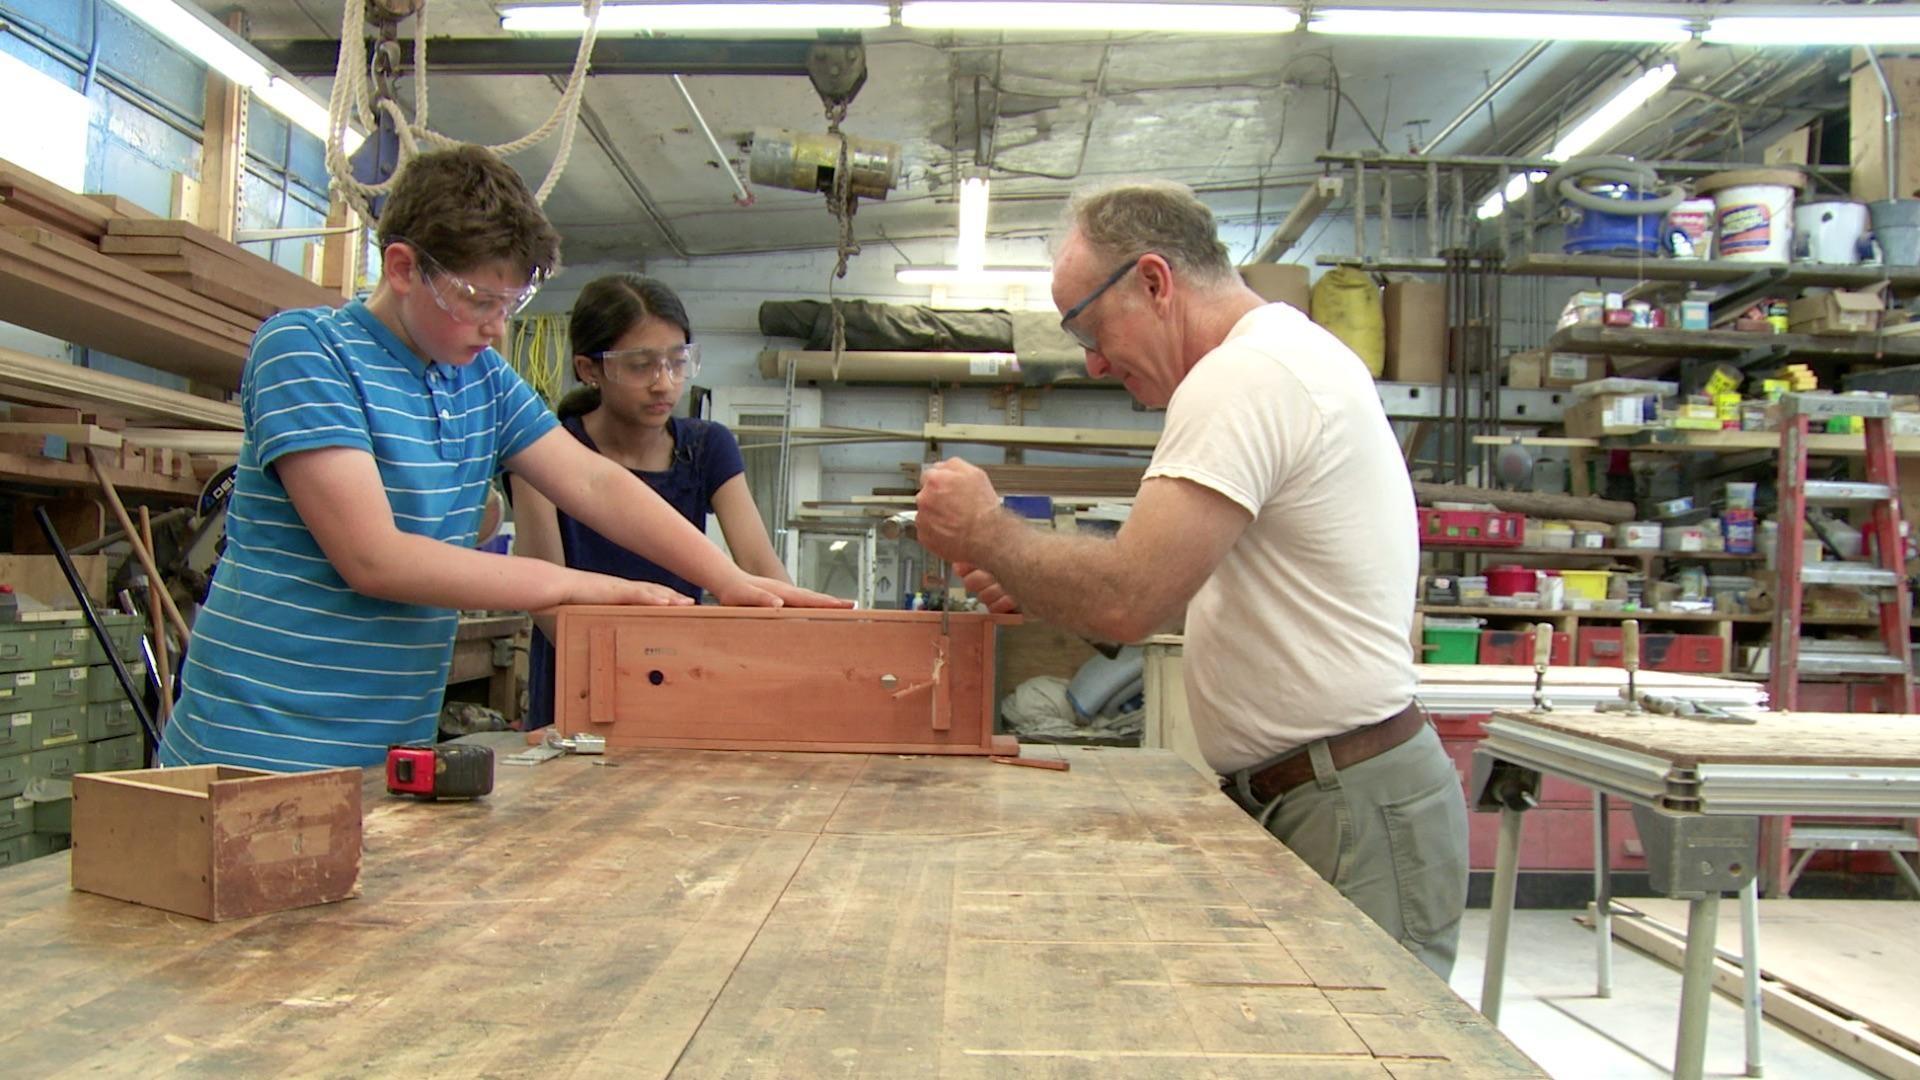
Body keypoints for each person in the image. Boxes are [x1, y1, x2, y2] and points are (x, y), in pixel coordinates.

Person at [913, 180, 1468, 976]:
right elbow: (1165, 579)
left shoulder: (1246, 375)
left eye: (1090, 327)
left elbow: (1128, 599)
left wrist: (987, 529)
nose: (1096, 361)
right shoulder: (1277, 357)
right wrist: (1027, 570)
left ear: (1153, 281)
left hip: (1348, 803)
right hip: (1327, 793)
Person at [158, 145, 844, 773]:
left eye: (511, 303)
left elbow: (593, 481)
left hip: (385, 748)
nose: (495, 326)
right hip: (252, 743)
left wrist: (726, 579)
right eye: (478, 300)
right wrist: (585, 588)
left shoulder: (481, 379)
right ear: (402, 268)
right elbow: (374, 558)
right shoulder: (307, 350)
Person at [510, 274, 788, 729]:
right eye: (641, 366)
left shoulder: (705, 447)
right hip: (581, 689)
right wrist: (626, 676)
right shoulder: (545, 452)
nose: (664, 384)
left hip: (686, 687)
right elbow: (546, 605)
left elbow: (758, 564)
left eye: (678, 363)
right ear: (588, 368)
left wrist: (800, 633)